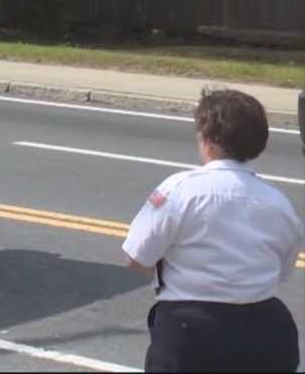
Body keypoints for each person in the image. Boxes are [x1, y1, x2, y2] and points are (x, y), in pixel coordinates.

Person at [123, 88, 303, 372]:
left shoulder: (180, 190)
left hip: (191, 333)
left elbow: (137, 256)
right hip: (267, 333)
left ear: (209, 139)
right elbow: (281, 271)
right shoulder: (278, 202)